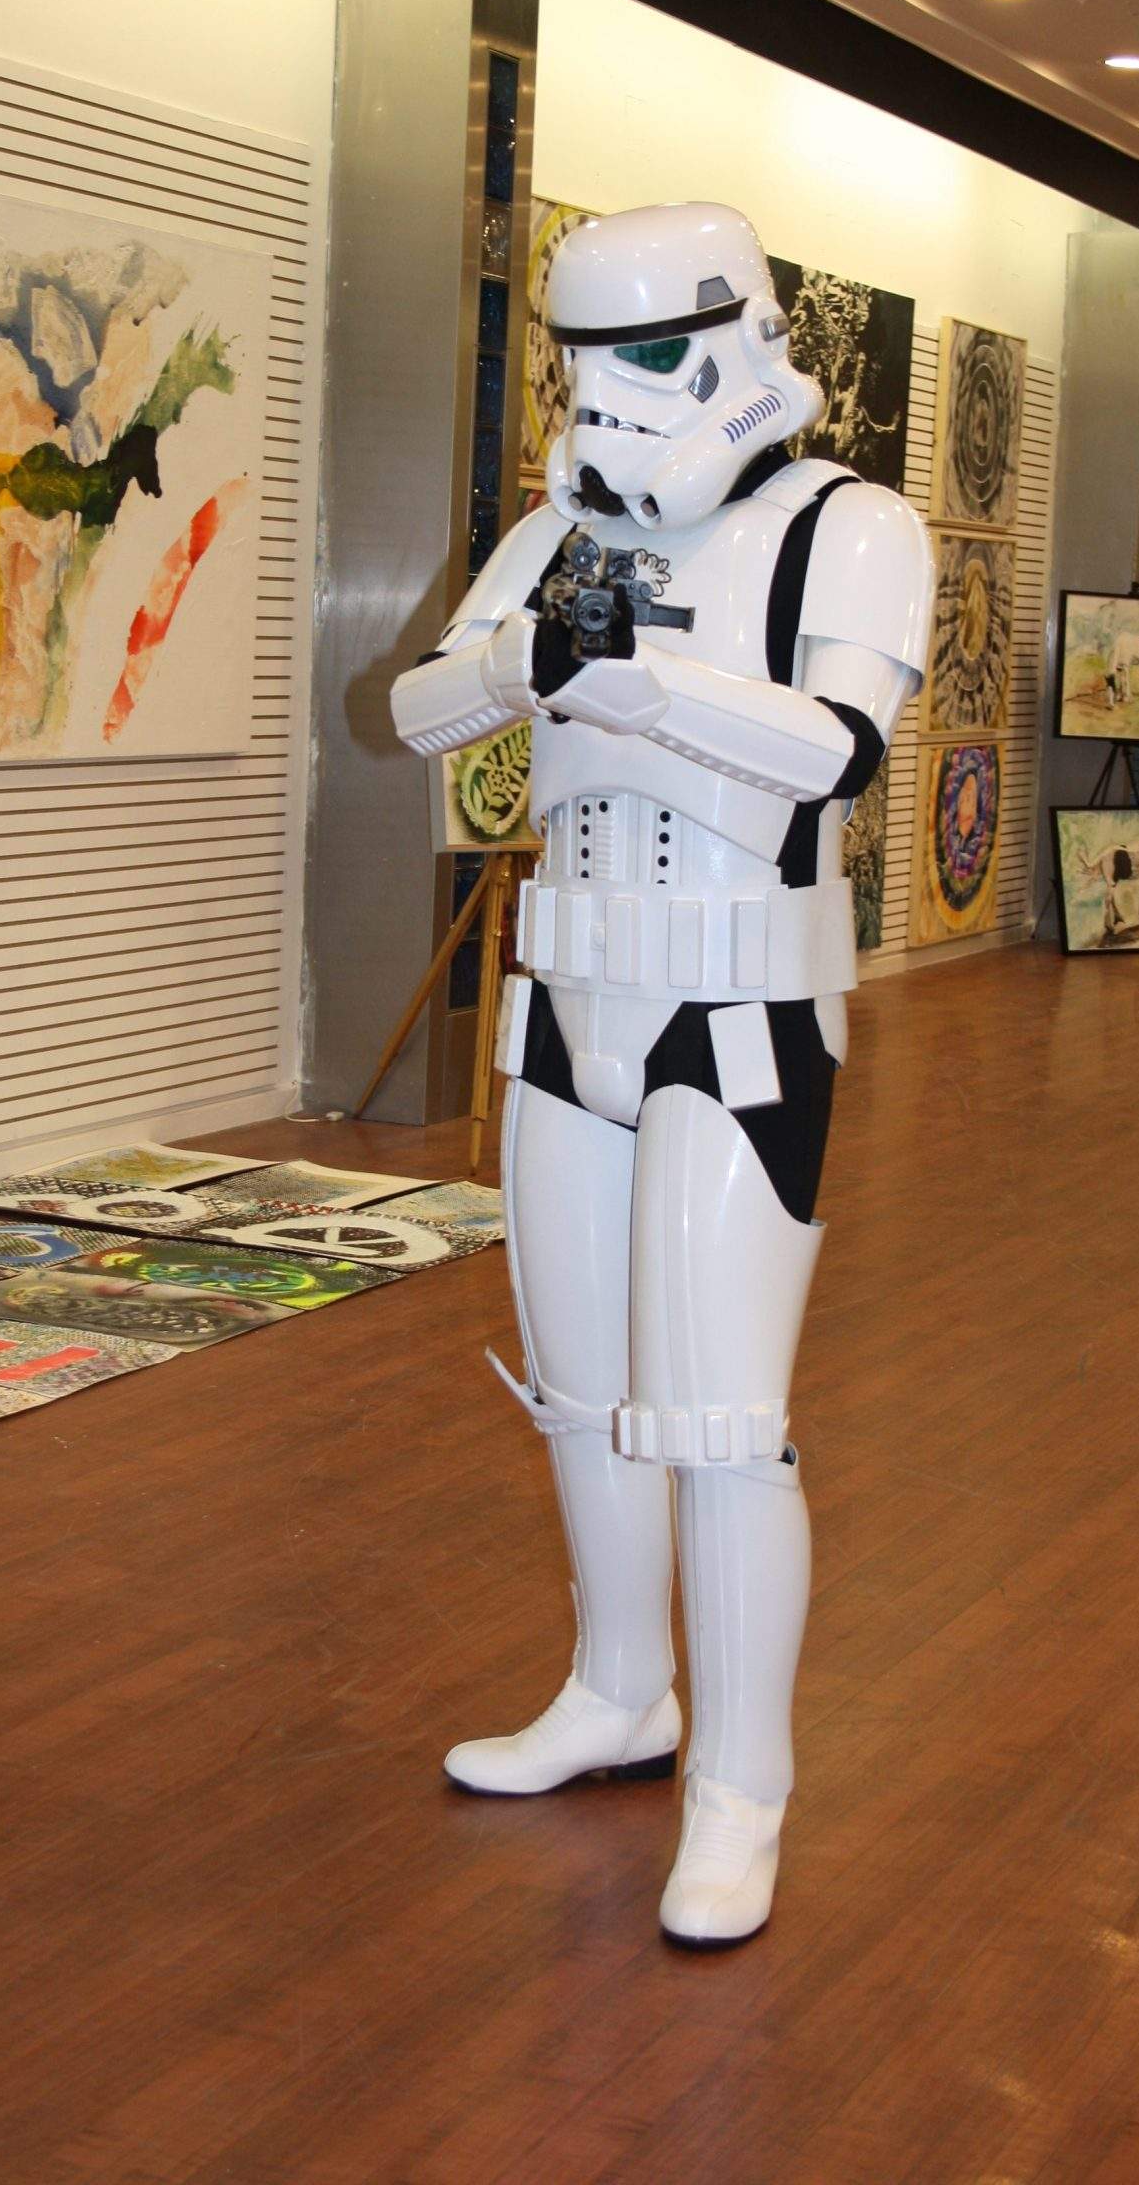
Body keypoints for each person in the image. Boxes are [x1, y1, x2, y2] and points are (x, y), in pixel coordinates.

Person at [391, 203, 934, 1946]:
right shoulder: (559, 529)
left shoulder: (849, 527)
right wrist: (520, 660)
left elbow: (838, 750)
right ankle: (620, 1691)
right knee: (581, 1388)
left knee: (718, 1418)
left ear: (735, 341)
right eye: (583, 364)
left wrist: (642, 681)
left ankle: (743, 1785)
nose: (608, 400)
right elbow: (419, 710)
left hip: (740, 1005)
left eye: (642, 360)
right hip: (569, 1000)